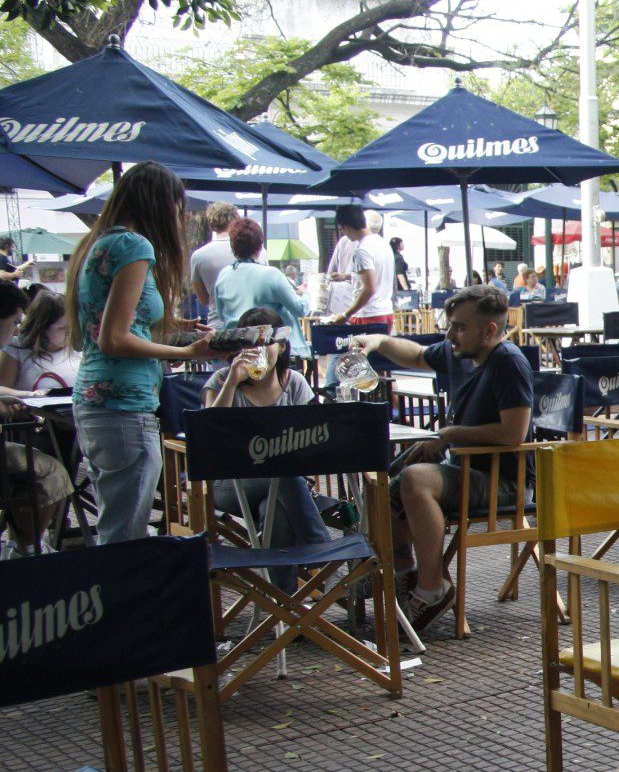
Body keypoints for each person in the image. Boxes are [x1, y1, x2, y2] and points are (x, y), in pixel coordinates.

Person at [344, 286, 533, 628]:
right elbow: (416, 355)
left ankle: (433, 589)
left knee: (416, 479)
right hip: (463, 469)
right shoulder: (460, 351)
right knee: (388, 483)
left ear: (488, 330)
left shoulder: (508, 361)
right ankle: (404, 575)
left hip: (506, 482)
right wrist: (377, 341)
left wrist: (447, 435)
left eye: (458, 326)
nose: (449, 335)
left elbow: (513, 433)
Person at [68, 161, 211, 543]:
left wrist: (175, 330)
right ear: (162, 205)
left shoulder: (99, 243)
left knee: (114, 527)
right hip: (124, 405)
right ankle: (122, 604)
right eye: (179, 209)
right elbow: (113, 338)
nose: (180, 219)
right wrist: (190, 350)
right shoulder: (134, 245)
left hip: (97, 400)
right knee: (125, 538)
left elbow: (110, 319)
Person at [201, 310, 331, 588]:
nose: (257, 350)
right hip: (229, 484)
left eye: (265, 342)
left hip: (285, 488)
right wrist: (233, 381)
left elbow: (315, 439)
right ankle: (321, 548)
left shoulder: (294, 382)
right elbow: (208, 434)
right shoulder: (222, 381)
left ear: (282, 346)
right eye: (249, 343)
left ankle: (285, 610)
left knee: (278, 512)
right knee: (281, 471)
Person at [213, 217, 312, 356]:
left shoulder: (223, 275)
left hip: (235, 350)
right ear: (260, 247)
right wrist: (305, 293)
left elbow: (222, 315)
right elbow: (301, 309)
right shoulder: (272, 274)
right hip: (269, 351)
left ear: (233, 247)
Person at [1, 291, 79, 399]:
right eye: (62, 328)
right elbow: (2, 389)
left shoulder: (80, 349)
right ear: (42, 327)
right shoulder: (17, 347)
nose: (70, 332)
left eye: (73, 326)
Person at [333, 206, 395, 324]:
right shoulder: (383, 243)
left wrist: (346, 315)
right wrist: (345, 276)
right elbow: (375, 275)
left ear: (346, 227)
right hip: (386, 312)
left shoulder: (361, 250)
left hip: (368, 315)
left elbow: (370, 288)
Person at [188, 202, 239, 314]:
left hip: (217, 323)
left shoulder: (198, 256)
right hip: (251, 323)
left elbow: (204, 300)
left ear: (211, 225)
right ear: (236, 220)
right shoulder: (255, 250)